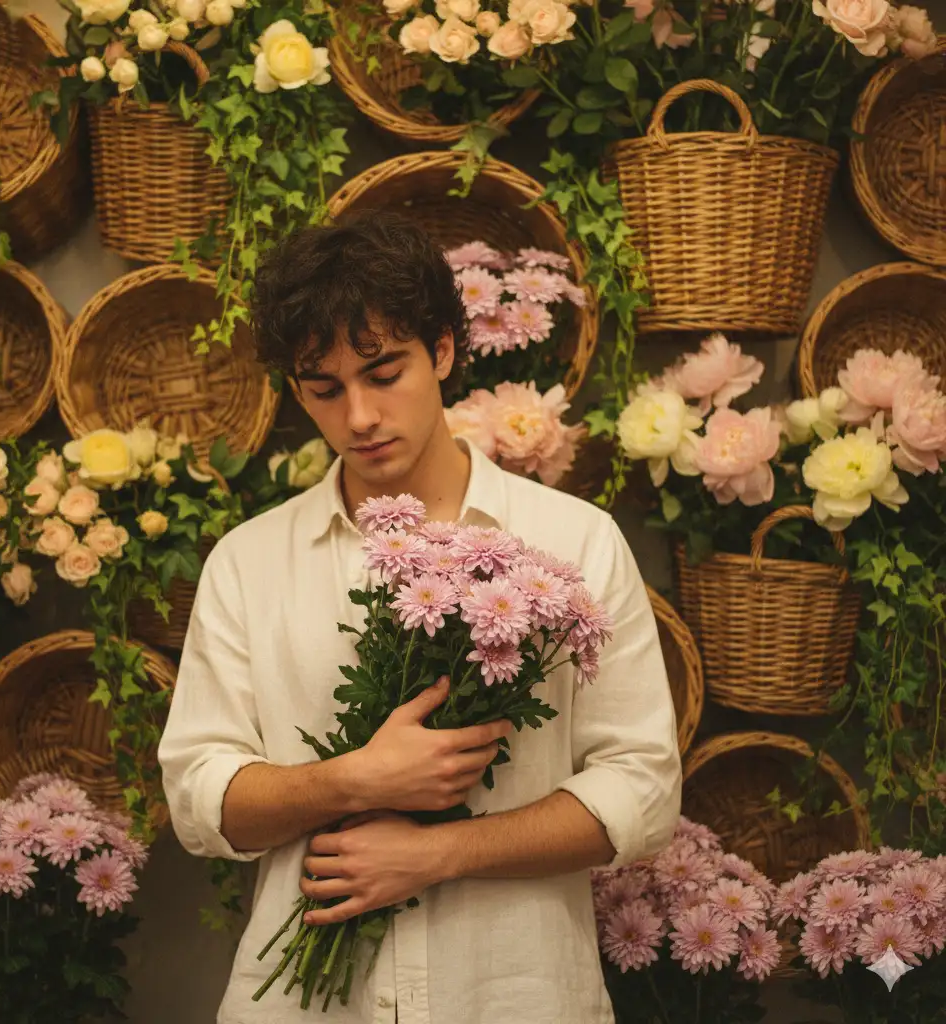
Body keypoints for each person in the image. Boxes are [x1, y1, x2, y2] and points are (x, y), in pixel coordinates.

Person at [157, 209, 682, 1024]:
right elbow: (198, 797)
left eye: (383, 371)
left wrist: (436, 853)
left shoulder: (574, 540)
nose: (359, 416)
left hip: (514, 997)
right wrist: (353, 778)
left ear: (442, 349)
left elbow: (641, 791)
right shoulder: (248, 562)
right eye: (323, 389)